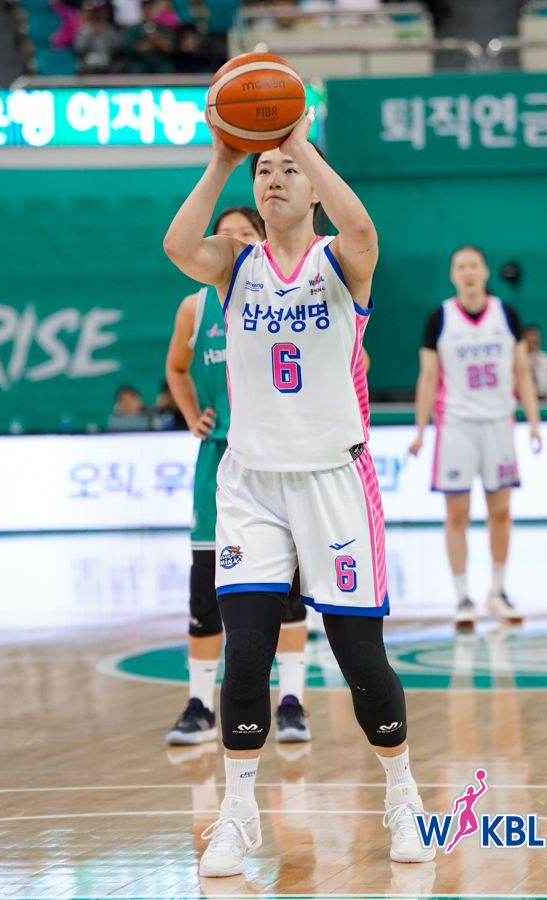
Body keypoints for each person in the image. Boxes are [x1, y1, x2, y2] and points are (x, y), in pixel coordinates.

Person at [164, 106, 434, 877]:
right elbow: (178, 246)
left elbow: (364, 229)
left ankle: (403, 796)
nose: (275, 178)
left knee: (361, 660)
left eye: (288, 170)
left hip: (333, 482)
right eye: (266, 170)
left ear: (313, 186)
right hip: (251, 485)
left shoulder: (340, 260)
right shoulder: (234, 264)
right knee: (246, 655)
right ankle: (237, 815)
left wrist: (299, 143)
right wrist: (224, 158)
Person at [165, 205, 311, 748]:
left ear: (261, 241)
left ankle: (291, 701)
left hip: (280, 457)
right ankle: (200, 705)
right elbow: (176, 367)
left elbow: (350, 360)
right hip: (221, 457)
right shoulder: (195, 305)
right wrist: (190, 414)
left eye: (243, 235)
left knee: (288, 589)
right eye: (222, 236)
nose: (230, 243)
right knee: (206, 588)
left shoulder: (290, 294)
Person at [409, 245, 541, 627]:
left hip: (499, 422)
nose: (467, 272)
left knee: (501, 512)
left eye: (473, 265)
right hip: (457, 426)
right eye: (460, 266)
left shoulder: (506, 314)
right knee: (457, 514)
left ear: (485, 272)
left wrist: (533, 421)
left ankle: (497, 592)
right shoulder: (439, 318)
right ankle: (462, 597)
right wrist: (420, 429)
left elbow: (522, 372)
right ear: (453, 275)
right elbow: (428, 377)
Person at [124, 0, 175, 74]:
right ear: (141, 9)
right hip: (140, 62)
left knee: (167, 69)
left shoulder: (163, 28)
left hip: (159, 62)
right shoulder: (133, 29)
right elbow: (131, 48)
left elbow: (169, 47)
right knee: (135, 69)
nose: (147, 11)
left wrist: (156, 38)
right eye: (145, 8)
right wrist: (151, 44)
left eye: (150, 8)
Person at [73, 1, 124, 74]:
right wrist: (90, 32)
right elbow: (78, 48)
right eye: (97, 12)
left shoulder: (111, 30)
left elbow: (118, 47)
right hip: (87, 68)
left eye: (102, 12)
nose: (100, 14)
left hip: (108, 68)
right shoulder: (85, 30)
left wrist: (105, 34)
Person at [522, 325, 547, 401]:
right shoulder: (517, 360)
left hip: (545, 402)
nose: (533, 341)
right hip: (522, 401)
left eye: (535, 339)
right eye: (530, 339)